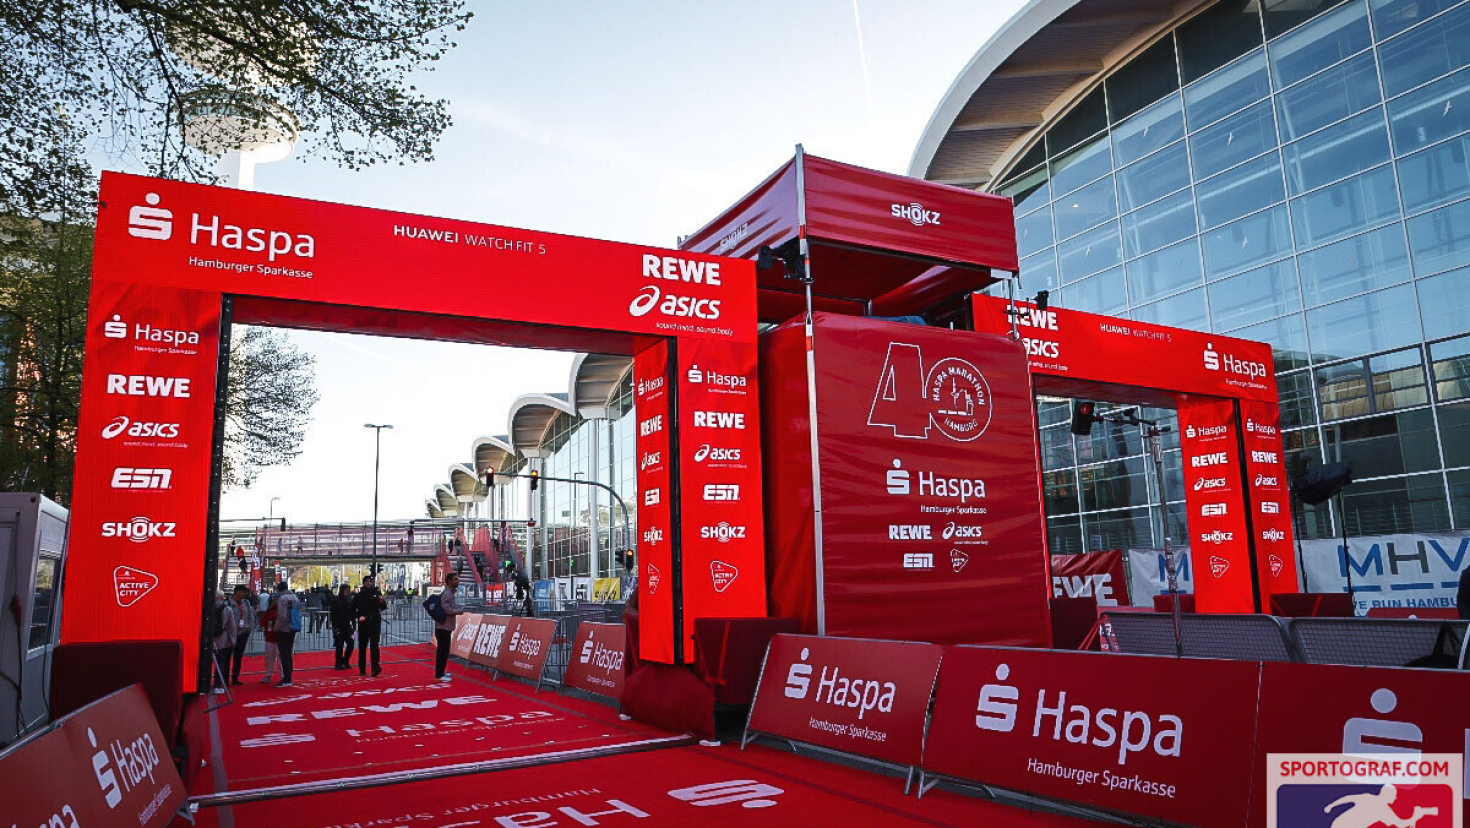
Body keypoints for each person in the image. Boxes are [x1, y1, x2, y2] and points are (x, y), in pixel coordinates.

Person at [353, 575, 387, 676]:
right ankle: (362, 669)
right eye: (367, 581)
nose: (369, 583)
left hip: (375, 622)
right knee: (362, 646)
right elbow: (353, 609)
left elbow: (383, 607)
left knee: (374, 646)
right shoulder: (359, 595)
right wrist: (359, 616)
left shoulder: (376, 593)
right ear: (364, 583)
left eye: (370, 581)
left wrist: (382, 601)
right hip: (363, 623)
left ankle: (375, 668)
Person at [433, 572, 465, 682]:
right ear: (450, 581)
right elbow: (447, 609)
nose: (458, 582)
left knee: (444, 651)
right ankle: (438, 675)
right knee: (443, 651)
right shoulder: (447, 594)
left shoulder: (449, 593)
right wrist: (458, 611)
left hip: (444, 626)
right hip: (443, 627)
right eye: (455, 579)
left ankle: (441, 672)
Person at [271, 581, 300, 687]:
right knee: (289, 652)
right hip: (293, 627)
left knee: (284, 653)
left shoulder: (282, 599)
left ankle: (286, 678)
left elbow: (282, 615)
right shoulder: (295, 597)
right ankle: (289, 676)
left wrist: (276, 628)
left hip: (284, 628)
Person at [228, 585, 256, 686]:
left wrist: (249, 628)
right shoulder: (228, 603)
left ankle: (235, 677)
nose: (245, 594)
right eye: (244, 592)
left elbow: (250, 616)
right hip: (230, 633)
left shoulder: (246, 603)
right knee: (227, 657)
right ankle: (224, 678)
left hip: (243, 632)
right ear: (237, 592)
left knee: (238, 656)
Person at [210, 590, 237, 695]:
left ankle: (205, 683)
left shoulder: (208, 609)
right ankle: (218, 685)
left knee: (207, 662)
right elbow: (232, 626)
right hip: (223, 638)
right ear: (223, 598)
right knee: (221, 662)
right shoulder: (227, 609)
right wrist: (233, 639)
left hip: (210, 638)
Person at [330, 584, 356, 669]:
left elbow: (352, 613)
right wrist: (334, 627)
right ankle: (338, 664)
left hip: (348, 626)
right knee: (339, 646)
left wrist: (354, 624)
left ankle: (345, 661)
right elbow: (332, 615)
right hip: (339, 626)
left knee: (351, 644)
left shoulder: (349, 600)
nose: (347, 591)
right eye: (345, 589)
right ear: (341, 590)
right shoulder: (336, 600)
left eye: (348, 589)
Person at [259, 600, 280, 684]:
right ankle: (268, 674)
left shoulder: (283, 610)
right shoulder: (269, 611)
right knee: (269, 657)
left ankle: (283, 675)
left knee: (280, 658)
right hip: (270, 636)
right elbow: (262, 622)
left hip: (278, 637)